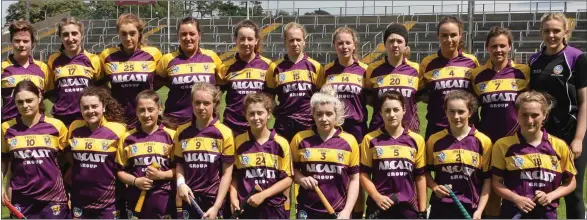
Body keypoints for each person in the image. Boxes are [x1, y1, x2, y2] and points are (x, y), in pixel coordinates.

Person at [528, 12, 587, 219]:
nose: (551, 35)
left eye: (556, 30)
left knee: (573, 192)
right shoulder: (534, 60)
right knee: (544, 190)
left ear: (565, 32)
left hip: (570, 134)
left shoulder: (576, 57)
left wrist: (578, 139)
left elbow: (584, 101)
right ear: (540, 33)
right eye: (547, 31)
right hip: (543, 138)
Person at [491, 91, 577, 219]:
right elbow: (496, 183)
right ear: (517, 114)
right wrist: (516, 198)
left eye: (535, 115)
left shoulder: (559, 146)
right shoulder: (502, 145)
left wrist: (550, 196)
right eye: (524, 115)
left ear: (545, 115)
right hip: (513, 212)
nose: (529, 120)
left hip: (546, 214)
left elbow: (571, 182)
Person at [1, 81, 69, 219]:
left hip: (53, 198)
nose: (25, 106)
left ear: (39, 97)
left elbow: (69, 162)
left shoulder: (57, 126)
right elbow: (4, 161)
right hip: (21, 198)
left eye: (29, 100)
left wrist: (71, 190)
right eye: (20, 102)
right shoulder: (6, 128)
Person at [291, 86, 360, 219]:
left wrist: (347, 211)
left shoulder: (349, 141)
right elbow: (290, 171)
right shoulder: (300, 139)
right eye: (319, 114)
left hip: (338, 210)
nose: (324, 119)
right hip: (307, 209)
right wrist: (302, 179)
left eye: (329, 114)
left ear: (337, 114)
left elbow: (354, 179)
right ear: (313, 114)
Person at [322, 26, 368, 219]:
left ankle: (356, 215)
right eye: (340, 43)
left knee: (356, 175)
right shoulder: (326, 71)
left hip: (356, 128)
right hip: (333, 128)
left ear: (354, 44)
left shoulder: (365, 70)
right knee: (337, 174)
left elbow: (371, 98)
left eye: (348, 42)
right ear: (334, 45)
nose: (344, 46)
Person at [360, 90, 427, 219]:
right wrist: (376, 196)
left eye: (396, 110)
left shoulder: (416, 140)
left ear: (404, 110)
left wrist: (423, 211)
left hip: (408, 208)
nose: (392, 115)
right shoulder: (370, 139)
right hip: (379, 207)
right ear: (381, 113)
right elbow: (364, 174)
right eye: (387, 111)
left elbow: (420, 177)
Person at [425, 90, 493, 219]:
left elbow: (487, 180)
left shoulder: (483, 141)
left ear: (470, 112)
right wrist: (434, 187)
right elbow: (425, 172)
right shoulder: (434, 140)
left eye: (461, 112)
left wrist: (479, 211)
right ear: (445, 112)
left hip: (471, 208)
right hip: (441, 207)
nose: (456, 117)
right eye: (451, 111)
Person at [174, 82, 234, 219]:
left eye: (206, 103)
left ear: (215, 104)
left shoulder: (224, 133)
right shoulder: (181, 132)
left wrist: (217, 206)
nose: (201, 107)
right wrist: (180, 184)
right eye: (197, 103)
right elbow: (179, 164)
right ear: (192, 103)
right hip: (189, 197)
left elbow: (227, 174)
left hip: (213, 200)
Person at [229, 93, 293, 219]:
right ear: (245, 115)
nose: (256, 117)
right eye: (251, 113)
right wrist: (233, 198)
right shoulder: (238, 142)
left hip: (273, 209)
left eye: (260, 113)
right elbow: (234, 175)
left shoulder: (281, 143)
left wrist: (263, 195)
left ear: (269, 114)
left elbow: (288, 179)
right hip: (246, 208)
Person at [67, 86, 127, 218]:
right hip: (80, 200)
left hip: (109, 201)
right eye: (85, 107)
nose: (90, 111)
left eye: (94, 106)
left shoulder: (118, 130)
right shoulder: (74, 127)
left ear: (103, 107)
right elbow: (69, 157)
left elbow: (125, 163)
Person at [115, 90, 176, 219]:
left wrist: (161, 175)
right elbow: (120, 171)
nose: (146, 114)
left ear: (160, 109)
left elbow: (180, 170)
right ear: (136, 112)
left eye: (150, 109)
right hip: (135, 200)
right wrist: (136, 181)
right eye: (142, 110)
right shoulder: (127, 138)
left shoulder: (171, 136)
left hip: (164, 201)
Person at [419, 16, 480, 140]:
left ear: (460, 35)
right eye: (444, 35)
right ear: (438, 36)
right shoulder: (427, 63)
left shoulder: (471, 62)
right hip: (436, 128)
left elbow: (477, 93)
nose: (449, 39)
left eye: (453, 35)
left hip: (466, 129)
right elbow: (422, 94)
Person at [99, 13, 162, 129]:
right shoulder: (107, 56)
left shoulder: (153, 54)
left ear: (139, 33)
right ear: (118, 34)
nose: (128, 38)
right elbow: (100, 83)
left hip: (145, 116)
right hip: (117, 117)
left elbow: (161, 80)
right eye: (123, 34)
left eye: (132, 33)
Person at [156, 17, 223, 125]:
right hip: (174, 122)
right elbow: (153, 84)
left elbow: (223, 82)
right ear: (178, 36)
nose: (188, 38)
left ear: (199, 35)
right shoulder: (167, 59)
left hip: (206, 121)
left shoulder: (212, 57)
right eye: (183, 34)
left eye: (192, 34)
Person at [470, 26, 530, 142]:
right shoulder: (477, 74)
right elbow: (473, 109)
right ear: (487, 48)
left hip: (517, 137)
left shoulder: (523, 71)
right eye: (494, 46)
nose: (498, 50)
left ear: (510, 47)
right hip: (487, 137)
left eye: (502, 46)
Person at [266, 22, 323, 141]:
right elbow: (268, 97)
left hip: (309, 125)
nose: (295, 44)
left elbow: (321, 99)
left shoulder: (316, 67)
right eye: (291, 40)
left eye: (298, 40)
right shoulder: (275, 67)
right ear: (285, 42)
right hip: (283, 125)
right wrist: (278, 113)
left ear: (304, 41)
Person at [219, 20, 274, 135]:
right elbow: (215, 98)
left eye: (250, 39)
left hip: (257, 127)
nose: (246, 43)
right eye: (242, 39)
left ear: (256, 40)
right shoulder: (226, 67)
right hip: (232, 127)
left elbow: (271, 98)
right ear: (235, 40)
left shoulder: (268, 66)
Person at [366, 23, 420, 133]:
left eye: (399, 41)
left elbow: (418, 97)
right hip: (378, 132)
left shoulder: (416, 69)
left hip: (410, 131)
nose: (395, 45)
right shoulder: (372, 69)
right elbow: (370, 98)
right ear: (385, 45)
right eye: (391, 41)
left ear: (406, 45)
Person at [47, 17, 102, 127]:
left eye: (74, 33)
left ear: (81, 35)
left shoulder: (93, 59)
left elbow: (100, 90)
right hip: (61, 117)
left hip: (85, 116)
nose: (70, 38)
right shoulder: (53, 60)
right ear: (60, 37)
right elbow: (51, 91)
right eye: (65, 34)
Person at [2, 20, 50, 122]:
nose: (21, 44)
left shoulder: (43, 68)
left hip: (37, 129)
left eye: (25, 41)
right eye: (17, 40)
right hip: (9, 128)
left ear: (32, 43)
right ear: (11, 42)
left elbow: (49, 97)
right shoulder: (2, 68)